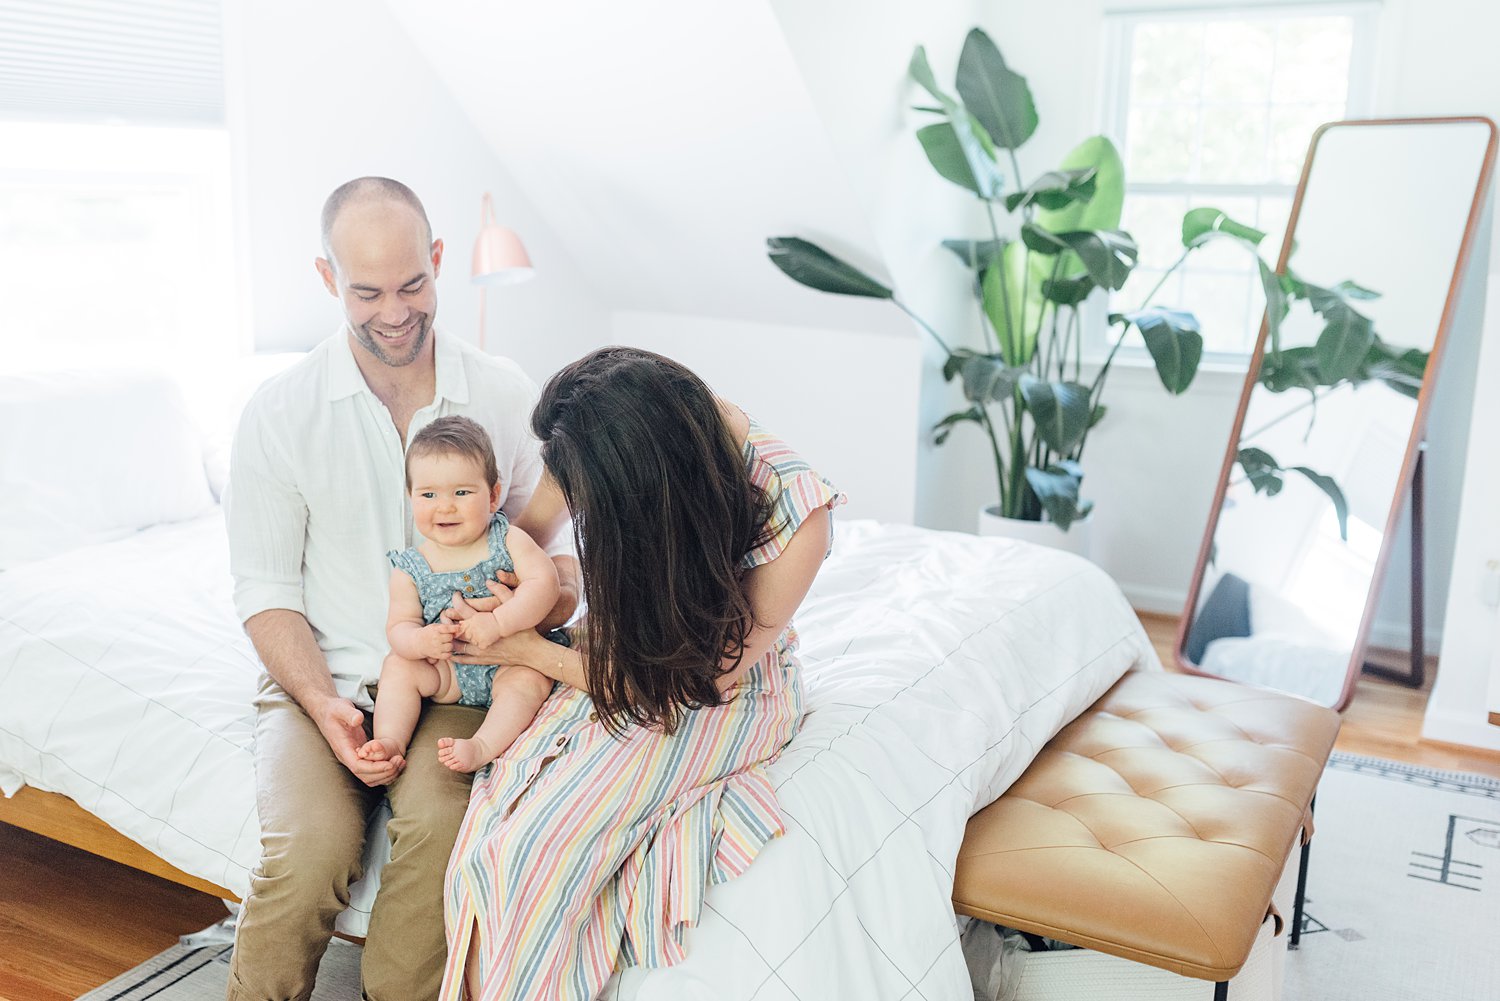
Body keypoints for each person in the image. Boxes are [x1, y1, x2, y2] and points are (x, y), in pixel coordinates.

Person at [223, 177, 577, 1001]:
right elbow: (266, 591)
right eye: (367, 290)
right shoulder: (280, 412)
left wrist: (546, 585)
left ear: (440, 261)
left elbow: (533, 542)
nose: (394, 311)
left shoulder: (501, 389)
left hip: (456, 684)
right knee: (307, 853)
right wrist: (323, 706)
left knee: (441, 832)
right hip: (322, 676)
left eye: (413, 284)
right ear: (326, 277)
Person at [434, 347, 845, 1001]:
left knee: (534, 853)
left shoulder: (799, 519)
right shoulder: (608, 425)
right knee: (490, 829)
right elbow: (526, 533)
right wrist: (480, 581)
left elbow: (683, 684)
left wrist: (530, 651)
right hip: (627, 642)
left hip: (718, 684)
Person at [363, 415, 559, 775]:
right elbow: (399, 627)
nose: (445, 506)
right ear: (411, 497)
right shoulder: (410, 566)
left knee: (529, 682)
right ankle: (390, 740)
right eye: (428, 494)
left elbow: (544, 584)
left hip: (509, 661)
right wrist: (422, 641)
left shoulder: (507, 539)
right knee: (398, 666)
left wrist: (499, 622)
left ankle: (483, 745)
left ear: (493, 495)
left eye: (462, 492)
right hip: (448, 671)